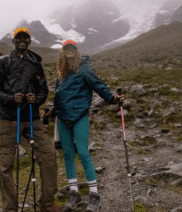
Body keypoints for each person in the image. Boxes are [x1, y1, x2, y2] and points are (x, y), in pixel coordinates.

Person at [0, 27, 63, 212]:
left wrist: (35, 99)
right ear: (13, 41)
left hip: (32, 117)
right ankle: (10, 208)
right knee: (6, 165)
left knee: (49, 155)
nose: (22, 40)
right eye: (18, 38)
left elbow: (43, 90)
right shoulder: (2, 62)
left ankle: (46, 203)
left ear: (30, 41)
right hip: (7, 118)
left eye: (25, 38)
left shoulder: (36, 63)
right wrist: (10, 98)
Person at [44, 39, 124, 212]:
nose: (70, 51)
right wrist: (52, 111)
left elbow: (98, 85)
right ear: (63, 52)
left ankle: (94, 195)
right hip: (63, 118)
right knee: (67, 154)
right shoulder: (62, 73)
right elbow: (59, 95)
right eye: (66, 49)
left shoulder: (85, 68)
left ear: (77, 50)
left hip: (79, 116)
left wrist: (112, 98)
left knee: (83, 152)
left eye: (72, 48)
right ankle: (74, 193)